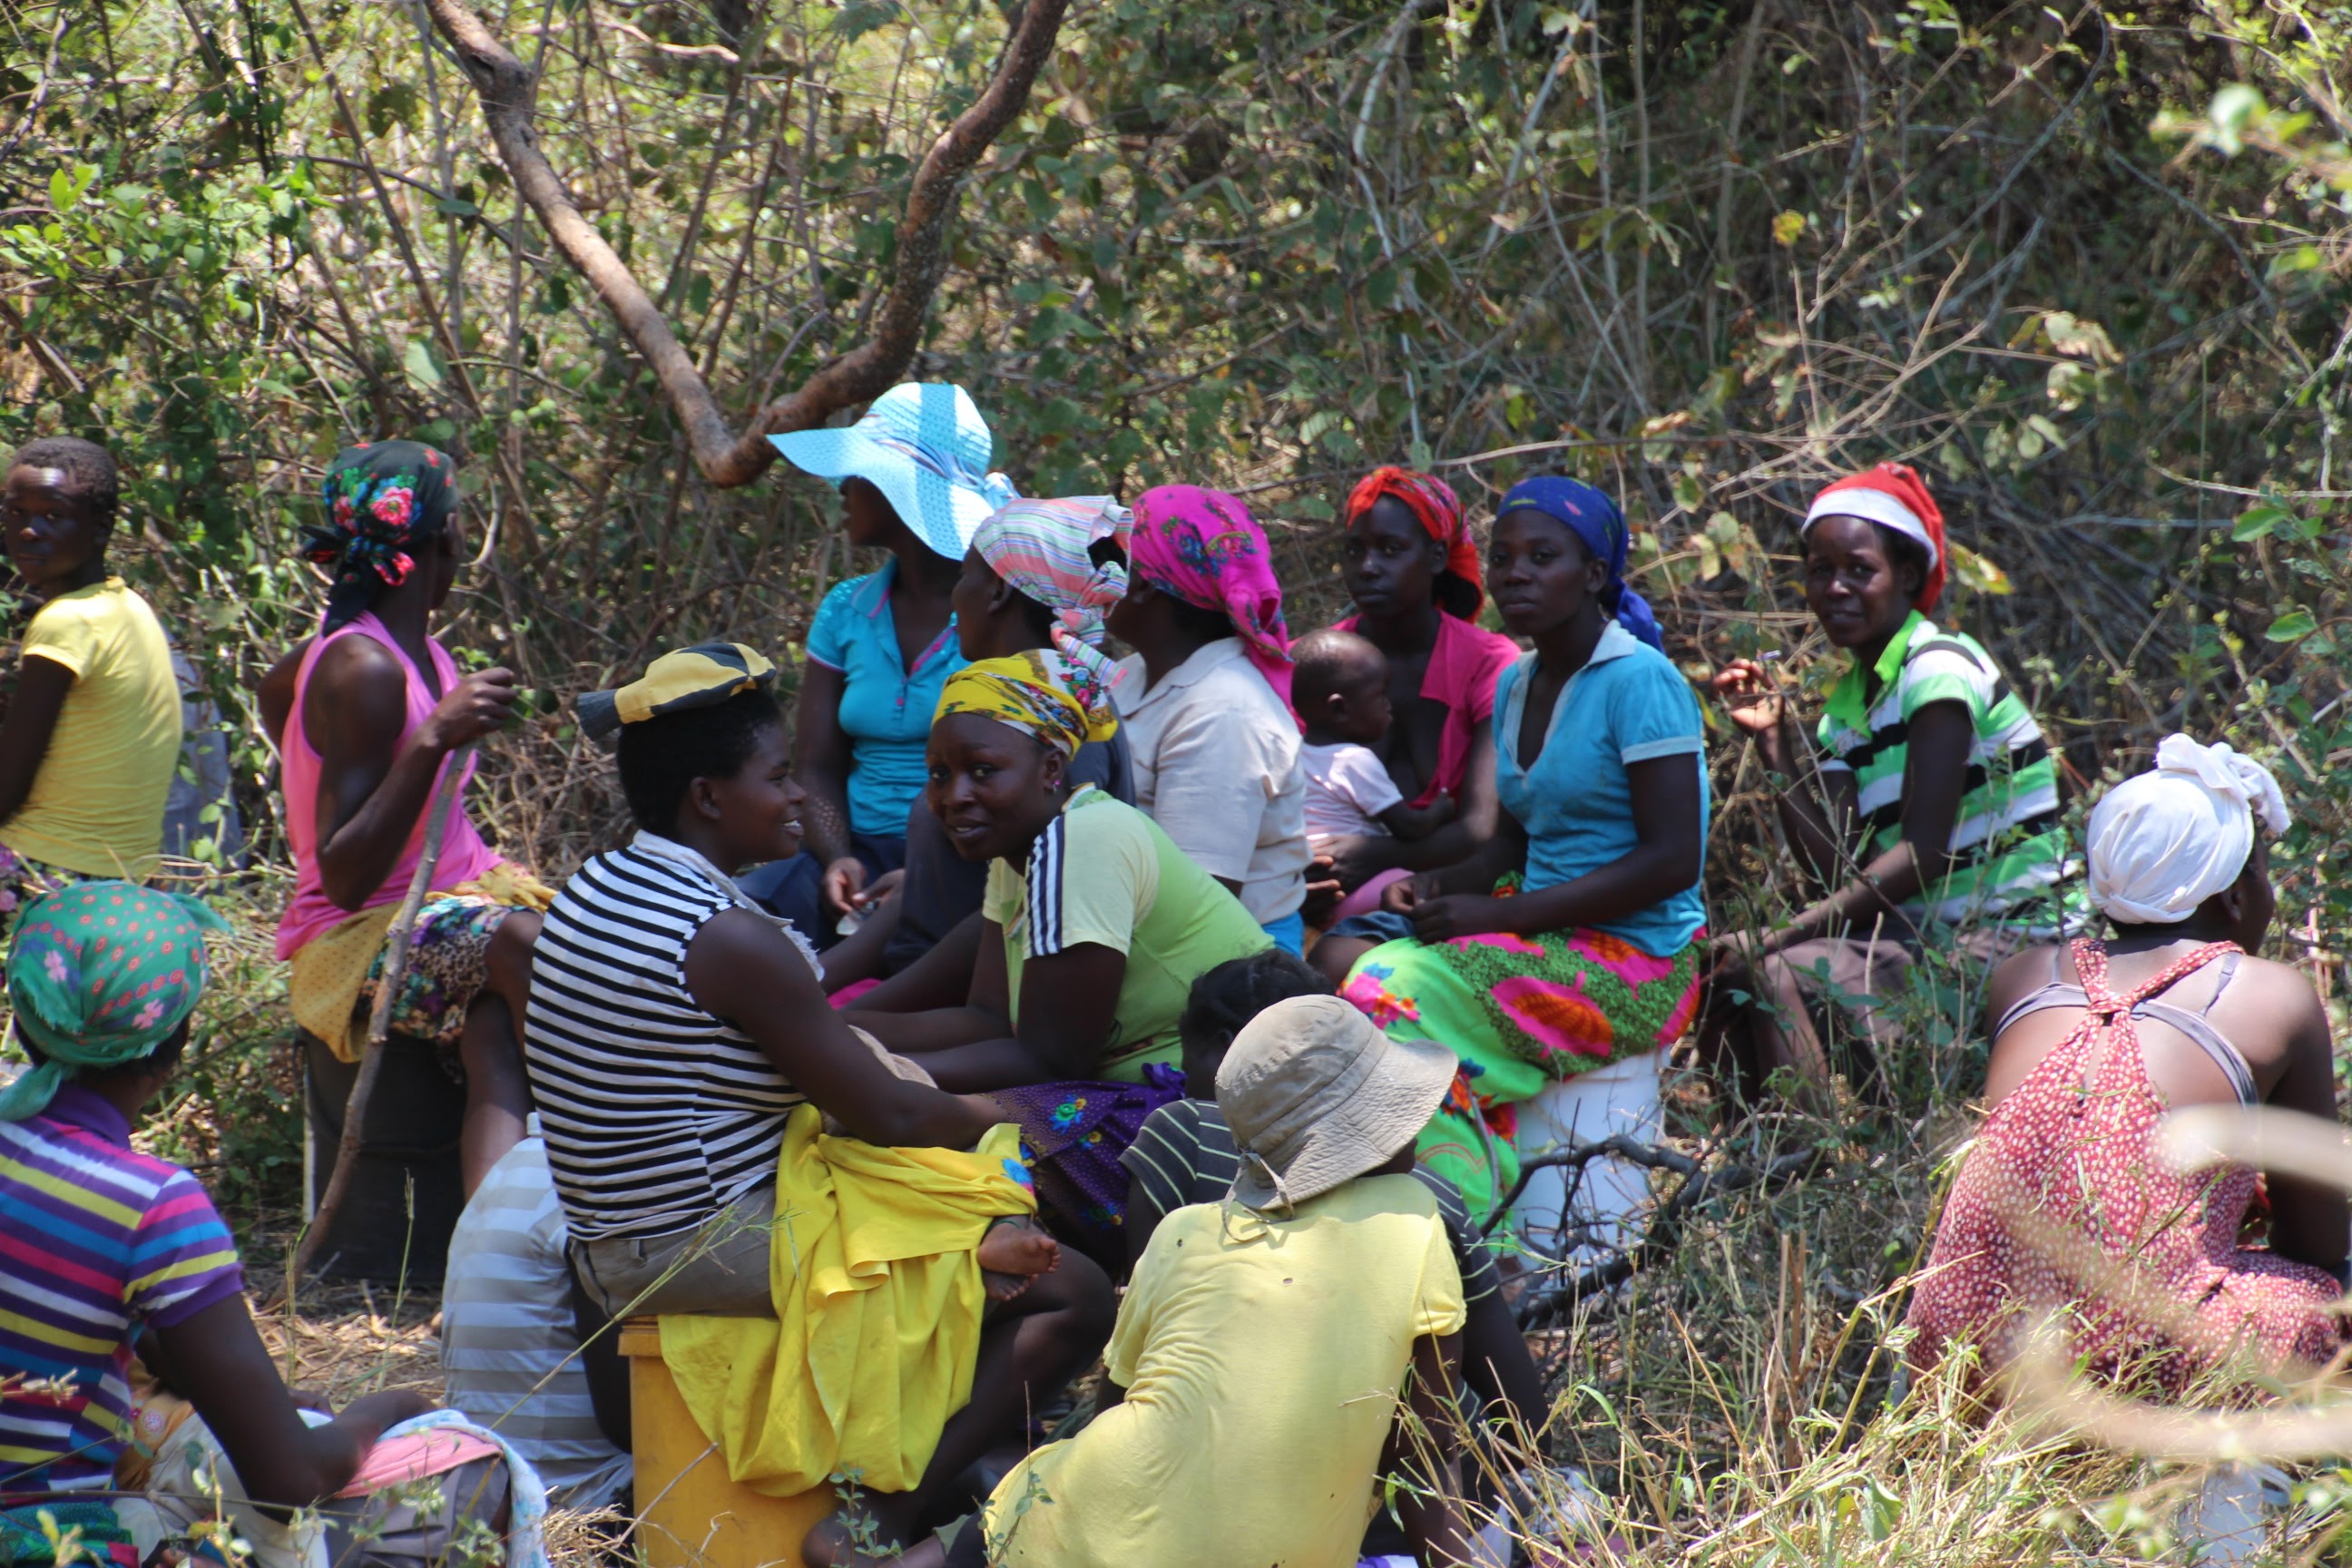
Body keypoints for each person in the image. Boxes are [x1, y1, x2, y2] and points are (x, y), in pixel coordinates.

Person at [519, 644, 1109, 1563]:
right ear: (709, 798)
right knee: (1068, 1289)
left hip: (613, 1233)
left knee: (949, 1189)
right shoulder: (723, 936)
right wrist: (1017, 1114)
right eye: (779, 775)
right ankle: (877, 1523)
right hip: (697, 1243)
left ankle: (945, 1409)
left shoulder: (599, 890)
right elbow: (889, 1113)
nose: (800, 796)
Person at [937, 995, 1475, 1568]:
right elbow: (1426, 1447)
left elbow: (1116, 1407)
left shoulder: (1183, 1232)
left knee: (997, 1522)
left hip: (1083, 1526)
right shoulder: (1414, 1216)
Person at [0, 881, 434, 1560]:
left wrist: (268, 1396)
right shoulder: (149, 1205)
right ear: (178, 1036)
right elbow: (291, 1480)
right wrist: (390, 1407)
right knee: (469, 1486)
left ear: (25, 1016)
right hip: (49, 1539)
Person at [1906, 737, 2347, 1391]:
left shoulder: (2024, 977)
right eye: (2258, 872)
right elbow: (2317, 1239)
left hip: (1959, 1360)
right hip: (2133, 1366)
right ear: (2230, 895)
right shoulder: (2272, 995)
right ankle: (2256, 1487)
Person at [1340, 476, 1709, 1248]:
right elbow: (1511, 845)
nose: (1517, 574)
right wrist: (1436, 887)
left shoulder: (1641, 682)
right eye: (1504, 558)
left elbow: (1673, 860)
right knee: (1373, 963)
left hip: (1641, 960)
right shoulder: (1515, 683)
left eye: (1544, 557)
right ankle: (1466, 1216)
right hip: (1549, 938)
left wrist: (1501, 914)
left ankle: (1475, 1249)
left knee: (1387, 991)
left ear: (1595, 574)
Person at [848, 652, 1271, 1259]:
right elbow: (988, 1019)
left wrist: (861, 1066)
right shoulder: (1018, 857)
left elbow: (1048, 1059)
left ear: (1051, 768)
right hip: (1154, 1100)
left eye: (982, 770)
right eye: (939, 775)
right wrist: (832, 1032)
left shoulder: (1083, 840)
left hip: (1219, 1118)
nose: (955, 796)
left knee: (925, 1141)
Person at [1702, 465, 2080, 1101]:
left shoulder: (1937, 666)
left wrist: (1779, 935)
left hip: (2021, 934)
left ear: (1906, 576)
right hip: (1933, 938)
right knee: (1728, 981)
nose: (1835, 588)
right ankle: (1758, 1171)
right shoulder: (1844, 712)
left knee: (1780, 970)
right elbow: (1838, 872)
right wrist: (1773, 743)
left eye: (1858, 569)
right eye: (1820, 572)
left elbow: (1923, 855)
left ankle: (1817, 1168)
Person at [257, 441, 544, 1194]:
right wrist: (431, 738)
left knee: (590, 939)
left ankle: (497, 1243)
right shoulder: (367, 669)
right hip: (361, 931)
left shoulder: (406, 653)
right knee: (532, 947)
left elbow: (275, 690)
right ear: (447, 538)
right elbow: (347, 880)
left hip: (460, 893)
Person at [1123, 950, 1546, 1443]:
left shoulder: (1185, 1131)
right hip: (1431, 1487)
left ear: (1228, 1051)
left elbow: (1148, 1339)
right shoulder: (1431, 1198)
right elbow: (1526, 1425)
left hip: (1218, 1455)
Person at [820, 495, 1135, 1003]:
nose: (953, 597)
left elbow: (1006, 917)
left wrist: (852, 1015)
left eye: (964, 576)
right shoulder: (993, 701)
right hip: (919, 989)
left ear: (996, 592)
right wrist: (814, 979)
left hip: (972, 1007)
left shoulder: (1064, 723)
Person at [745, 383, 1015, 948]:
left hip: (966, 857)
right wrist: (839, 858)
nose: (842, 487)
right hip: (854, 854)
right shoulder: (847, 608)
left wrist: (927, 874)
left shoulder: (999, 615)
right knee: (743, 922)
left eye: (860, 472)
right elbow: (817, 764)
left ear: (903, 491)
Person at [1308, 466, 1519, 983]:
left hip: (1448, 891)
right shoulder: (1321, 661)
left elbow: (1479, 828)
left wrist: (1377, 854)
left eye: (1389, 549)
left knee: (1341, 969)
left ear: (1436, 558)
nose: (1368, 568)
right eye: (1355, 551)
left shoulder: (1489, 662)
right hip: (1319, 894)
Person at [1104, 485, 1310, 954]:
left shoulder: (1224, 712)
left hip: (1224, 962)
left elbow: (1194, 911)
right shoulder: (1135, 675)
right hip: (1138, 932)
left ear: (1141, 586)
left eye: (1112, 556)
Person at [0, 437, 181, 906]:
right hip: (126, 876)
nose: (28, 531)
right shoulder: (128, 606)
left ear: (101, 530)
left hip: (45, 871)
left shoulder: (67, 623)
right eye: (17, 513)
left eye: (52, 516)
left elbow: (8, 787)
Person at [440, 1124, 634, 1512]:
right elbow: (631, 1424)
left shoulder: (520, 1161)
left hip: (503, 1493)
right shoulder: (603, 1174)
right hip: (579, 1503)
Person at [1291, 629, 1456, 923]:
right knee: (1413, 882)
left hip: (1309, 892)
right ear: (1339, 708)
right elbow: (1409, 827)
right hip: (1360, 889)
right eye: (1380, 695)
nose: (1389, 704)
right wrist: (1441, 809)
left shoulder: (1294, 756)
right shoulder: (1353, 760)